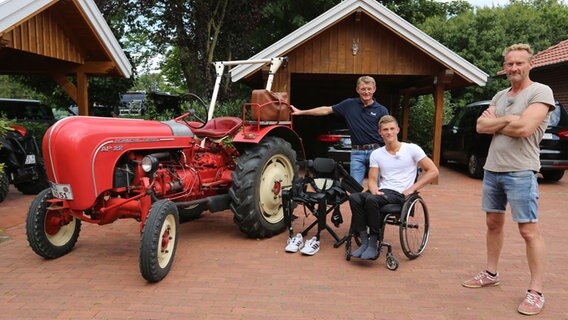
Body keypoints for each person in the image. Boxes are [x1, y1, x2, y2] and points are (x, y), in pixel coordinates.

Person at [461, 43, 555, 316]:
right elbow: (480, 126)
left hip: (521, 170)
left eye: (519, 63)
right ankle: (491, 273)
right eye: (509, 64)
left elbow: (526, 128)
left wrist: (499, 122)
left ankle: (536, 292)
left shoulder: (541, 91)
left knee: (528, 230)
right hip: (493, 169)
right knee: (493, 223)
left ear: (530, 64)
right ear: (504, 67)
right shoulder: (500, 95)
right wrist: (509, 119)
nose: (514, 68)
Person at [348, 115, 438, 260]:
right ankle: (364, 239)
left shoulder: (412, 149)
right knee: (354, 197)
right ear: (380, 133)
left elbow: (433, 171)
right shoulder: (377, 154)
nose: (389, 132)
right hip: (382, 192)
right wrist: (373, 188)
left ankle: (374, 241)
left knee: (371, 200)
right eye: (385, 130)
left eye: (391, 129)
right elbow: (371, 179)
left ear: (397, 130)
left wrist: (413, 188)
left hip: (400, 194)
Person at [290, 76, 389, 185]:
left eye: (369, 89)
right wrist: (301, 112)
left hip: (376, 152)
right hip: (357, 153)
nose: (366, 92)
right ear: (357, 90)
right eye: (363, 89)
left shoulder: (381, 110)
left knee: (380, 187)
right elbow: (326, 110)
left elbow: (388, 132)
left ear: (374, 89)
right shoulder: (349, 105)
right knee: (354, 188)